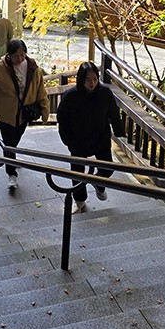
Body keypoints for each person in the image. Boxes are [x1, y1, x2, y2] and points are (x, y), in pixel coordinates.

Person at [0, 38, 50, 193]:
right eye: (16, 55)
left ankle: (11, 158)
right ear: (9, 55)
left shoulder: (32, 67)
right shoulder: (1, 68)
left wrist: (45, 109)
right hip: (6, 114)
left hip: (24, 114)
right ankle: (11, 174)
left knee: (14, 141)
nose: (20, 58)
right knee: (9, 143)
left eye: (22, 54)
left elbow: (40, 90)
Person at [56, 61, 124, 214]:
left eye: (95, 79)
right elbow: (62, 118)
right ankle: (79, 200)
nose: (92, 83)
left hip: (100, 137)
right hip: (78, 139)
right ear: (81, 79)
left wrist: (119, 131)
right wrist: (68, 140)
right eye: (88, 80)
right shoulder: (71, 95)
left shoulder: (105, 93)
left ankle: (98, 183)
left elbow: (113, 113)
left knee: (108, 167)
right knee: (77, 172)